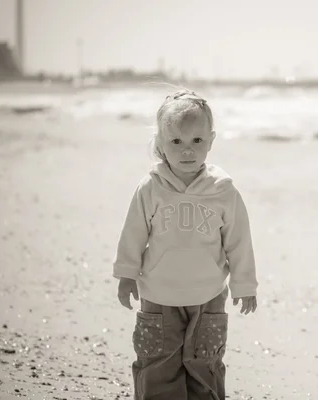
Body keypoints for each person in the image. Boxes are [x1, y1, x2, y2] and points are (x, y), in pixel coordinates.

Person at [112, 88, 258, 400]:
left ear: (211, 140)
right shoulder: (150, 188)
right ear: (160, 143)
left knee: (205, 362)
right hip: (158, 294)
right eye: (176, 141)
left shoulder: (223, 191)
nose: (187, 150)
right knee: (158, 363)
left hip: (208, 295)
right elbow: (134, 233)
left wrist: (245, 285)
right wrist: (127, 274)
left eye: (197, 141)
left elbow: (239, 241)